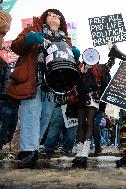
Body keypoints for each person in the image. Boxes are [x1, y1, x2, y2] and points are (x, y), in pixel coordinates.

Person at [6, 9, 80, 169]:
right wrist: (29, 39)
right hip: (34, 81)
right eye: (51, 15)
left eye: (58, 16)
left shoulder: (65, 39)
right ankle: (28, 152)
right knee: (30, 115)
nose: (55, 17)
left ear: (62, 22)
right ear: (45, 18)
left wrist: (75, 54)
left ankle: (32, 149)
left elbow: (69, 64)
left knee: (45, 117)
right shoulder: (32, 30)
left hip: (53, 84)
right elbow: (15, 46)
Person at [72, 55, 114, 169]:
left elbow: (110, 63)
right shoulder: (79, 67)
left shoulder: (99, 68)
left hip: (93, 97)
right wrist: (81, 72)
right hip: (81, 97)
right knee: (80, 123)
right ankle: (79, 152)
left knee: (90, 123)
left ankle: (85, 152)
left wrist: (112, 51)